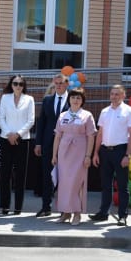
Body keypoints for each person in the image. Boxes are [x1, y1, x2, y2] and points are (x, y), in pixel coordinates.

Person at [89, 84, 131, 226]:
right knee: (105, 185)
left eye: (117, 94)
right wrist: (95, 153)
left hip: (120, 151)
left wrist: (127, 155)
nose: (114, 96)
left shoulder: (129, 111)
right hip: (105, 151)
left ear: (123, 96)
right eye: (112, 94)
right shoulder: (105, 111)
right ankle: (103, 213)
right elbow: (100, 134)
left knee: (122, 186)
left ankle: (122, 216)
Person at [51, 88, 96, 226]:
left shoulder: (87, 115)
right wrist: (54, 155)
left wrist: (88, 155)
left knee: (77, 183)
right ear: (69, 99)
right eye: (73, 98)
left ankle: (77, 213)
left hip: (80, 152)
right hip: (64, 153)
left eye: (78, 98)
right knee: (64, 183)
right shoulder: (63, 115)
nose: (75, 100)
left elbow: (91, 137)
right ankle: (65, 212)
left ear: (82, 101)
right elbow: (58, 136)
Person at [0, 75, 35, 215]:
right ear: (11, 85)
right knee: (5, 173)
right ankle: (5, 205)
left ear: (24, 85)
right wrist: (9, 134)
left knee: (20, 174)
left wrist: (18, 134)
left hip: (23, 139)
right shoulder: (5, 98)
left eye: (20, 84)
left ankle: (18, 207)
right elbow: (1, 117)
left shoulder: (29, 99)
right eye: (15, 83)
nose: (18, 86)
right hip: (6, 139)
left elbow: (31, 120)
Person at [34, 73, 69, 217]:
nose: (59, 85)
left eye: (61, 83)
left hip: (67, 144)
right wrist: (38, 143)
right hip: (48, 143)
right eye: (56, 83)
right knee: (47, 176)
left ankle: (64, 208)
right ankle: (45, 207)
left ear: (67, 84)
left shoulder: (73, 99)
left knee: (65, 177)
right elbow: (41, 122)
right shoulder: (48, 100)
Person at [34, 82, 56, 197]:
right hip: (47, 140)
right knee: (46, 168)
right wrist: (38, 143)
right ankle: (45, 192)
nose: (55, 89)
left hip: (63, 140)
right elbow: (41, 123)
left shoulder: (67, 101)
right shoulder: (46, 102)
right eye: (52, 88)